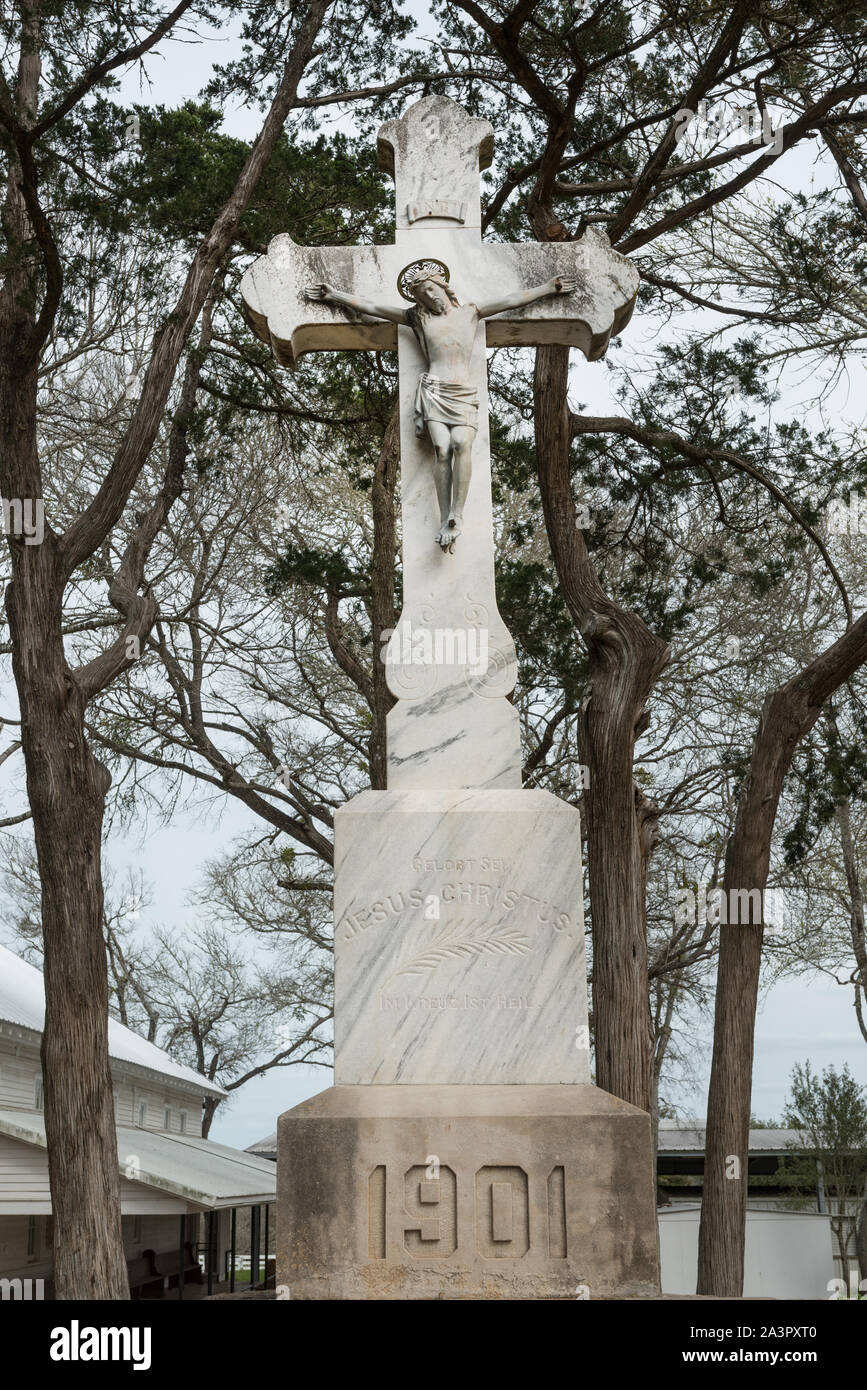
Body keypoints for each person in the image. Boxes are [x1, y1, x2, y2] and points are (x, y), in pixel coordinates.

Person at [306, 269, 575, 552]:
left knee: (461, 444)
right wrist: (334, 295)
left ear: (444, 288)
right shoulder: (418, 319)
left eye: (432, 290)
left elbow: (512, 300)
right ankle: (446, 516)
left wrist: (547, 288)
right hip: (435, 390)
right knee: (443, 450)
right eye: (423, 295)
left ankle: (457, 514)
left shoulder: (471, 312)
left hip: (462, 392)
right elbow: (373, 308)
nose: (430, 297)